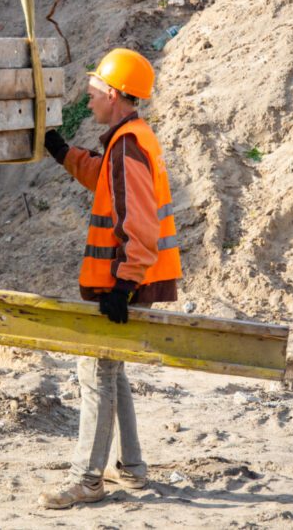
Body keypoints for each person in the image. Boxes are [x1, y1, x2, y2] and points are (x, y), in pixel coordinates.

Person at [37, 47, 182, 510]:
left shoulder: (128, 146)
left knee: (95, 370)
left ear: (116, 96)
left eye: (96, 90)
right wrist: (63, 152)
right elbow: (105, 179)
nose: (90, 96)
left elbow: (139, 221)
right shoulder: (131, 139)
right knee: (112, 366)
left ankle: (87, 480)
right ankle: (133, 468)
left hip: (128, 281)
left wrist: (124, 284)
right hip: (136, 278)